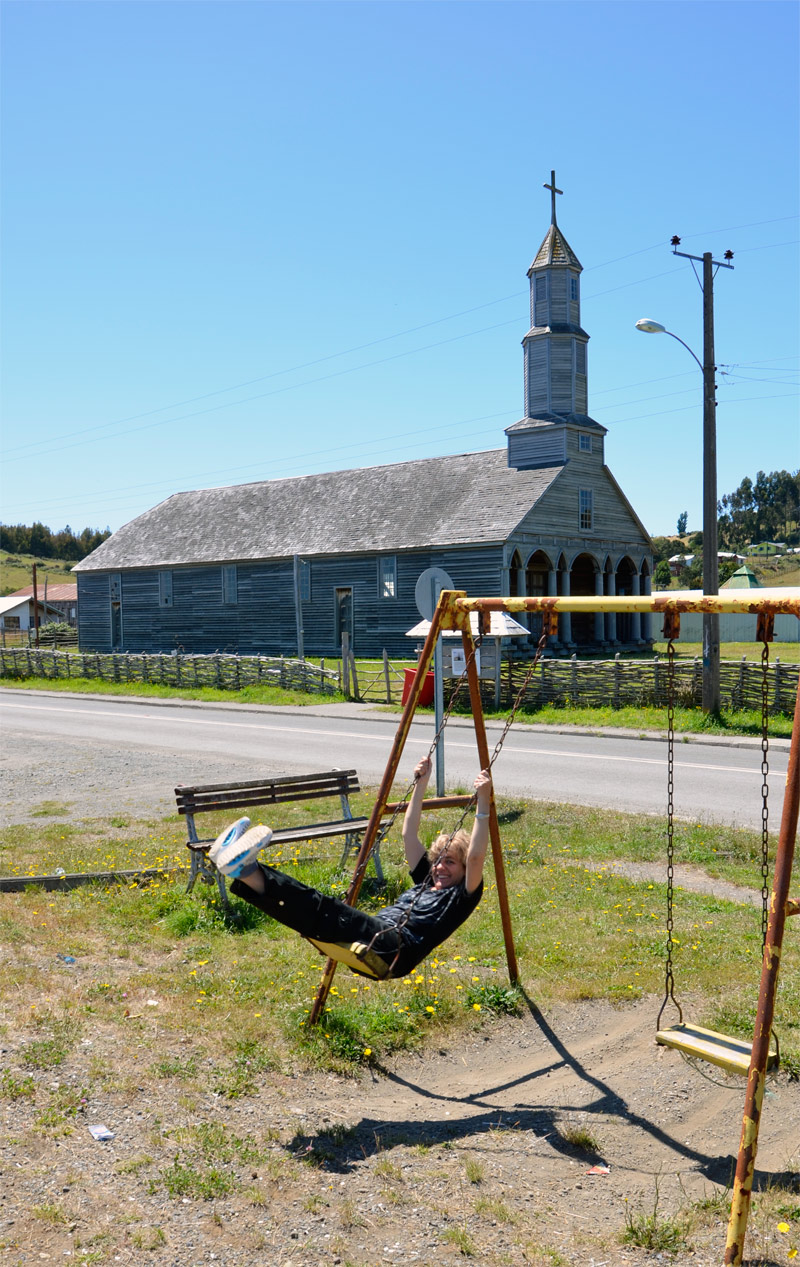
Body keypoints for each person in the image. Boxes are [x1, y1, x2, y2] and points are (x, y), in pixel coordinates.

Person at [209, 757, 492, 979]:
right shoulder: (426, 880)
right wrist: (421, 784)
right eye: (439, 859)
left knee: (325, 909)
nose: (440, 867)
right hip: (380, 938)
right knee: (308, 917)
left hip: (394, 950)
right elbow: (409, 834)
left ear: (466, 868)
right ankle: (244, 871)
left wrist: (483, 802)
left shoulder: (462, 895)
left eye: (450, 861)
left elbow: (478, 856)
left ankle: (246, 867)